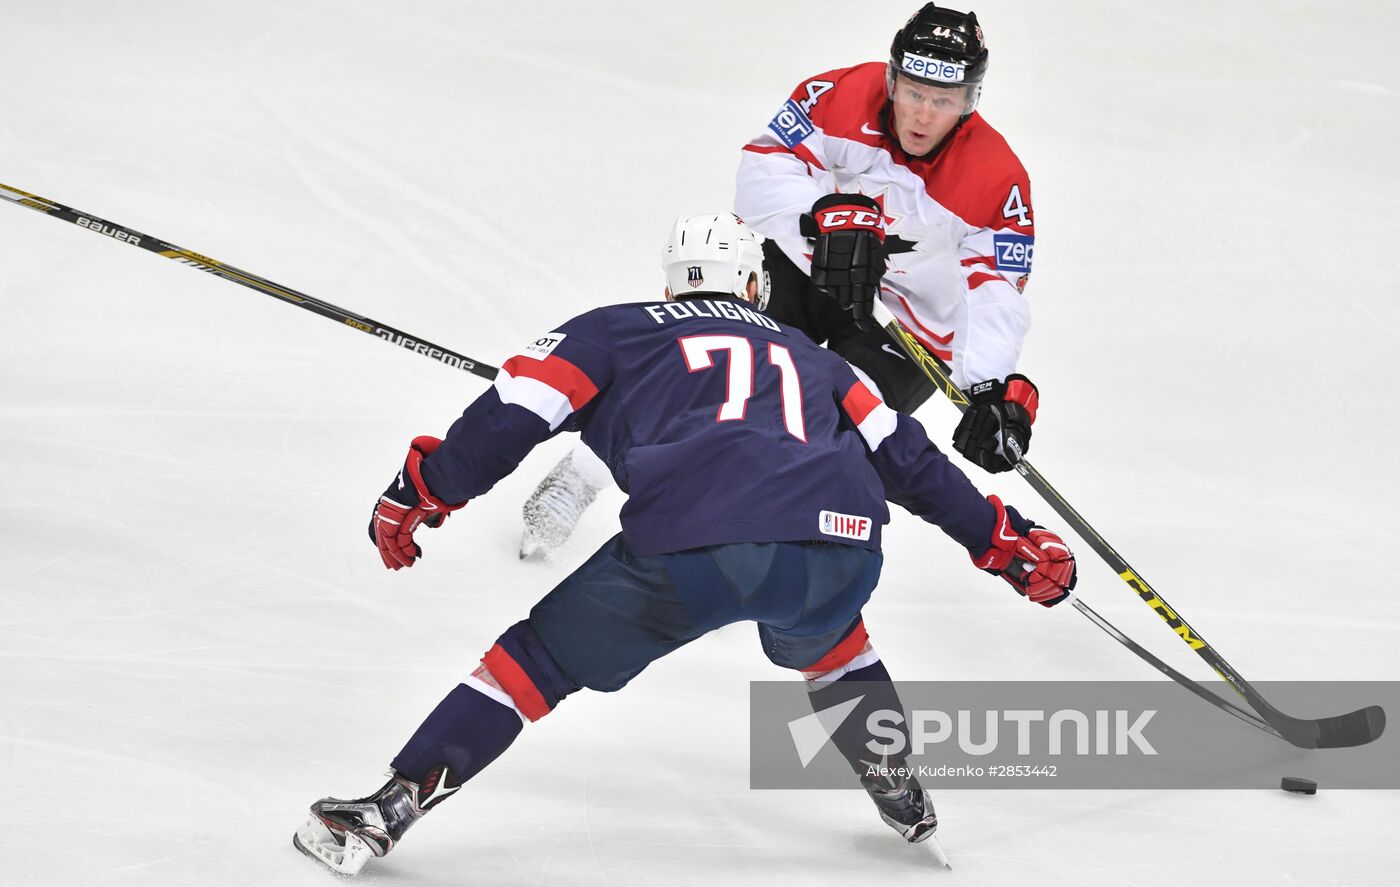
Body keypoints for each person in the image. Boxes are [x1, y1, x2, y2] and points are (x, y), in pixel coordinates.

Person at [293, 214, 1076, 876]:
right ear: (755, 288)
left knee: (534, 661)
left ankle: (393, 805)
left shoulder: (616, 330)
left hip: (694, 546)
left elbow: (513, 413)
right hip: (837, 545)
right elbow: (912, 462)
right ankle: (898, 783)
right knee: (835, 646)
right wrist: (1003, 544)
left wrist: (425, 488)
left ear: (672, 285)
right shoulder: (822, 362)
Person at [520, 3, 1040, 558]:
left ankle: (734, 530)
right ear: (892, 77)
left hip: (908, 321)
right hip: (808, 265)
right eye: (913, 91)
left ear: (970, 101)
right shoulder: (835, 94)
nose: (922, 115)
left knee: (821, 428)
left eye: (944, 101)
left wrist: (987, 386)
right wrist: (820, 216)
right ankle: (582, 474)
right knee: (705, 370)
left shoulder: (997, 180)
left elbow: (995, 290)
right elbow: (762, 168)